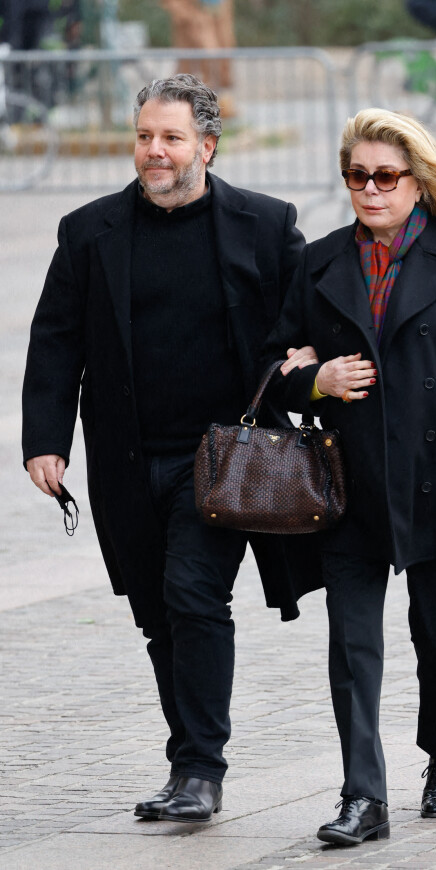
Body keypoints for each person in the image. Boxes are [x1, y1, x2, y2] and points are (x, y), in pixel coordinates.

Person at [21, 73, 315, 824]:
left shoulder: (264, 224)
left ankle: (198, 768)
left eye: (172, 138)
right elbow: (56, 341)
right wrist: (46, 440)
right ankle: (189, 757)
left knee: (193, 594)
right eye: (146, 136)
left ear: (207, 147)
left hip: (219, 458)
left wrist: (310, 377)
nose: (155, 151)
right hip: (124, 458)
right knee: (156, 611)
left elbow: (303, 327)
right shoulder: (88, 232)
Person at [262, 108, 436, 846]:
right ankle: (364, 798)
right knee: (352, 644)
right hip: (346, 487)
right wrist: (315, 381)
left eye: (385, 176)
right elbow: (271, 367)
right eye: (357, 177)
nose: (370, 190)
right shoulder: (317, 262)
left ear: (417, 180)